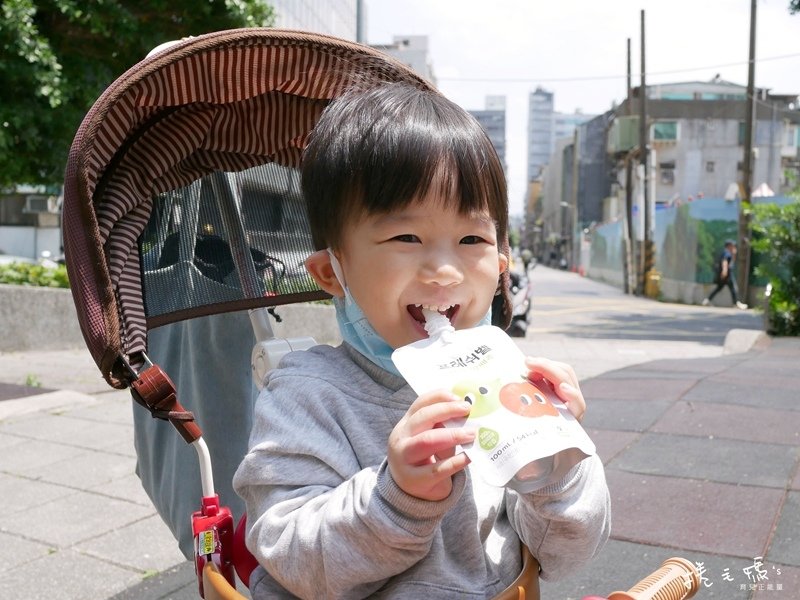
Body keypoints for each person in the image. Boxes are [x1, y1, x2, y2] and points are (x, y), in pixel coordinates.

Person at [233, 82, 610, 599]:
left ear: (500, 265)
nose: (444, 270)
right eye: (405, 238)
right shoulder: (306, 395)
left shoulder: (506, 381)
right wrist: (396, 500)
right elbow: (293, 558)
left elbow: (565, 556)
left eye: (472, 239)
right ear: (331, 271)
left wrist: (555, 467)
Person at [702, 239, 747, 309]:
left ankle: (707, 300)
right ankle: (736, 303)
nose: (733, 246)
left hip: (725, 274)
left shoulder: (726, 252)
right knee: (733, 289)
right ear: (729, 246)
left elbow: (731, 262)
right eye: (732, 245)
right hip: (727, 274)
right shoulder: (727, 252)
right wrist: (724, 271)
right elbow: (725, 261)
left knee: (719, 288)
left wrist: (734, 254)